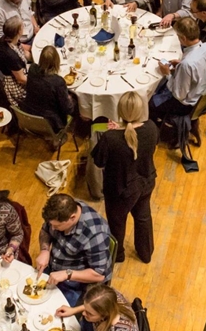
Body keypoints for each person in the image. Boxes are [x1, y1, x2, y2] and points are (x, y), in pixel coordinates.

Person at [90, 91, 157, 264]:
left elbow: (98, 161)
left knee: (117, 223)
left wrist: (115, 131)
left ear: (119, 111)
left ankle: (118, 255)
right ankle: (146, 253)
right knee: (143, 217)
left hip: (120, 189)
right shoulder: (151, 128)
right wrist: (119, 130)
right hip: (145, 180)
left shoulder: (110, 137)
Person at [36, 193, 112, 306]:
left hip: (77, 283)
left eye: (57, 226)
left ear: (72, 217)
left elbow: (99, 275)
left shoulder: (95, 234)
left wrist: (67, 274)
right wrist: (45, 250)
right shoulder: (61, 212)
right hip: (54, 267)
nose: (53, 228)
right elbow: (45, 230)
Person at [149, 16, 206, 120]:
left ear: (183, 38)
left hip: (186, 105)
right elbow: (204, 66)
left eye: (178, 36)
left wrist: (167, 74)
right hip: (203, 91)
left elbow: (179, 95)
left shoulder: (187, 64)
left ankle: (157, 124)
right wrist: (181, 64)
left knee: (148, 102)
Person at [23, 45, 74, 132]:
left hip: (29, 114)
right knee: (75, 100)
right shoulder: (58, 82)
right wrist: (70, 99)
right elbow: (67, 109)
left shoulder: (32, 69)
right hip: (51, 122)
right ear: (56, 61)